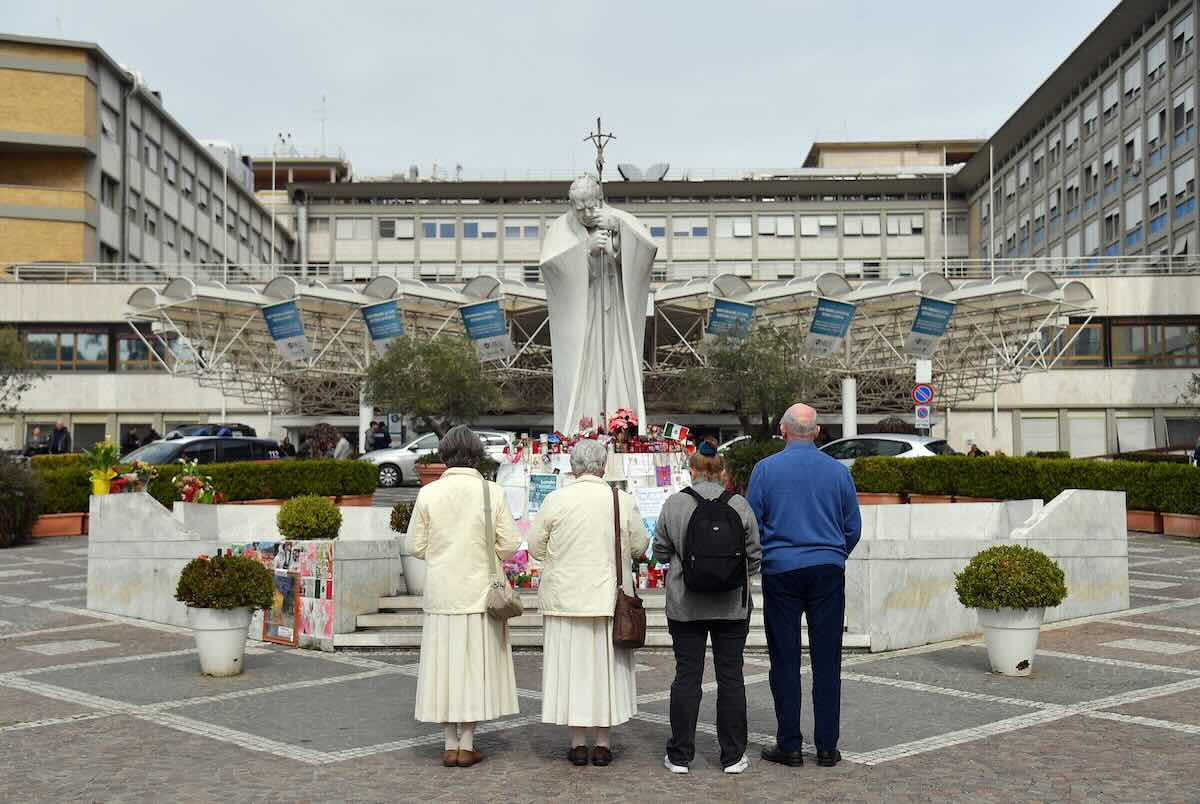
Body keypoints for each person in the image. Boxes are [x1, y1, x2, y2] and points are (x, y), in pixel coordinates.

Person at [747, 403, 861, 769]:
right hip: (827, 569)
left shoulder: (765, 470)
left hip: (781, 570)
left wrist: (770, 552)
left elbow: (752, 524)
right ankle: (827, 746)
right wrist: (835, 552)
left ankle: (790, 744)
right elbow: (853, 527)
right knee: (827, 659)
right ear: (815, 432)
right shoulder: (837, 472)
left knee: (785, 658)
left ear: (783, 431)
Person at [527, 439, 650, 767]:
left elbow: (535, 546)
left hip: (565, 600)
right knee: (605, 673)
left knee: (572, 671)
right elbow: (639, 545)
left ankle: (578, 742)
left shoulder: (556, 499)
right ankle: (604, 743)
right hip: (608, 599)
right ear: (603, 465)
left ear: (573, 465)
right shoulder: (620, 500)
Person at [410, 425, 521, 768]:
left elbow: (414, 545)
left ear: (444, 456)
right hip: (479, 595)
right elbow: (510, 543)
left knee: (443, 668)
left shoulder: (428, 493)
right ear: (476, 455)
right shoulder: (492, 492)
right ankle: (468, 743)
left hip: (442, 594)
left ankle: (449, 743)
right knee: (473, 669)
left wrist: (443, 556)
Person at [652, 440, 761, 775]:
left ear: (692, 470)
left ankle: (680, 755)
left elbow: (659, 551)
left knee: (687, 676)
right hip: (731, 606)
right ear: (722, 471)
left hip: (686, 604)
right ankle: (732, 756)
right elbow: (755, 556)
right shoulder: (740, 505)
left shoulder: (674, 504)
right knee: (731, 677)